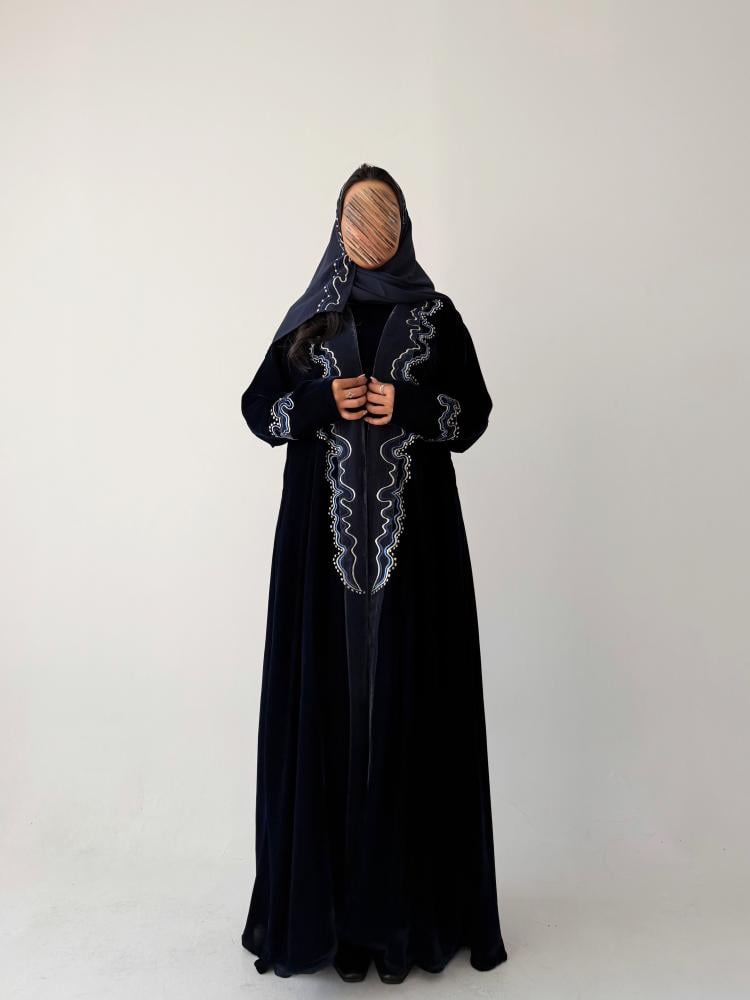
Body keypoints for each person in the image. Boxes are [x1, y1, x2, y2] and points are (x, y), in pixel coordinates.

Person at [239, 163, 508, 983]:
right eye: (357, 216)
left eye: (382, 215)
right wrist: (323, 403)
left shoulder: (436, 316)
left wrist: (410, 406)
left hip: (415, 559)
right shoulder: (310, 320)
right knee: (326, 708)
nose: (369, 230)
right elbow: (258, 411)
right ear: (337, 224)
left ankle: (405, 922)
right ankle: (326, 925)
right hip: (320, 563)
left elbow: (474, 414)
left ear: (404, 225)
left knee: (409, 704)